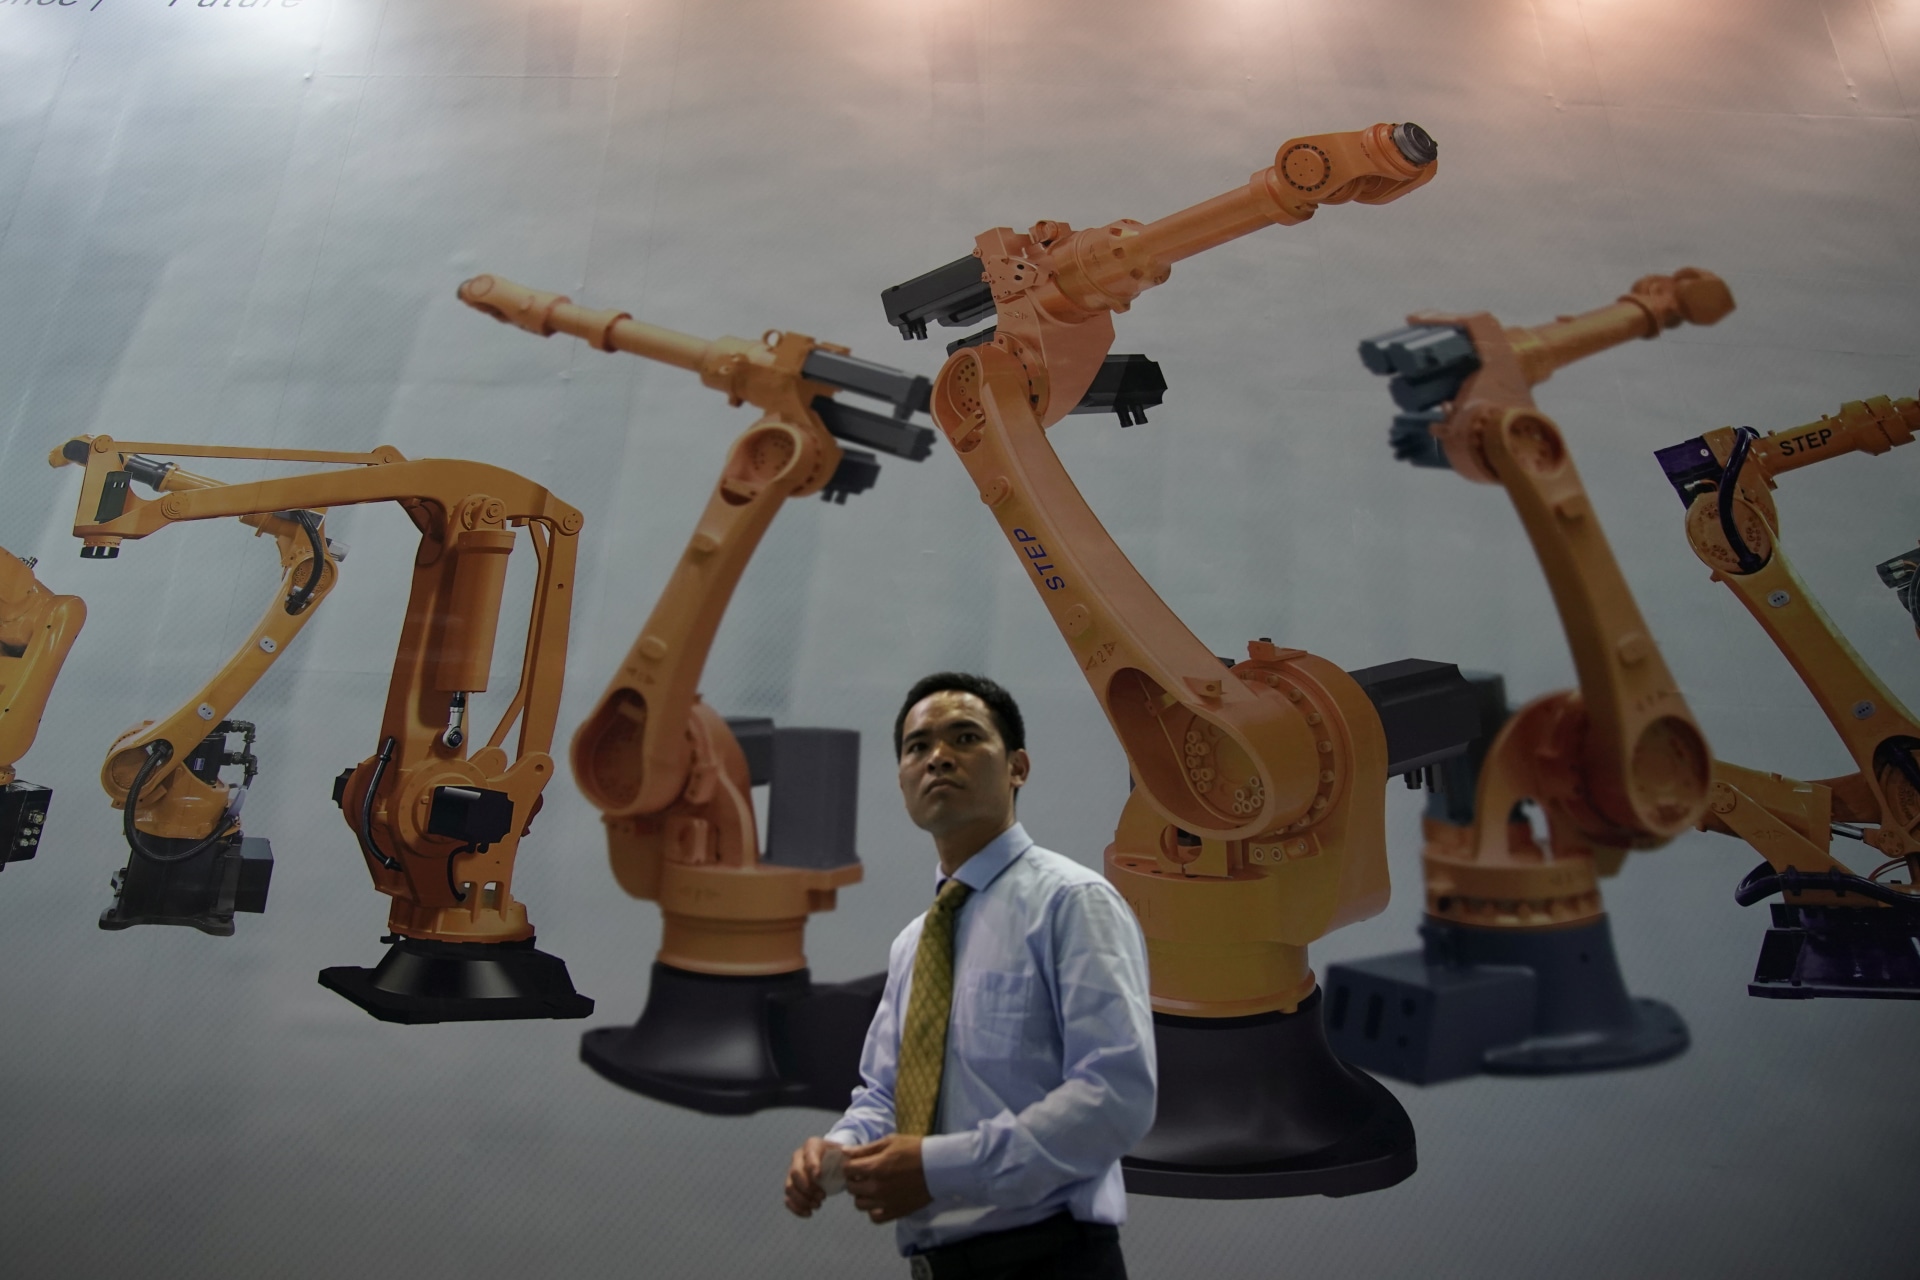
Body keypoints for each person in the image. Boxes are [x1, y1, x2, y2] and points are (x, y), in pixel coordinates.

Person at [783, 672, 1156, 1279]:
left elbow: (1115, 1097)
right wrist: (840, 1148)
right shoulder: (915, 944)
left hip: (1051, 1262)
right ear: (902, 780)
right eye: (917, 747)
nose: (938, 758)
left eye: (964, 737)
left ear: (1017, 767)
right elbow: (886, 1095)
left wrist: (937, 1168)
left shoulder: (1072, 903)